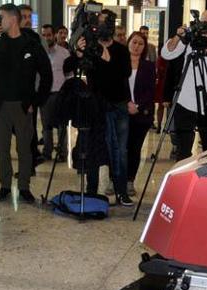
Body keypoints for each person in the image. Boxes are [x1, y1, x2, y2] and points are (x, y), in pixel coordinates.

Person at [0, 3, 51, 203]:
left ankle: (24, 186)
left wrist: (35, 102)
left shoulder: (32, 44)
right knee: (2, 147)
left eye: (0, 17)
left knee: (24, 148)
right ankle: (5, 186)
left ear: (12, 19)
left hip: (23, 105)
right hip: (0, 105)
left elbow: (46, 75)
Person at [65, 9, 133, 205]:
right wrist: (78, 51)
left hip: (118, 105)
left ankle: (121, 191)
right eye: (97, 22)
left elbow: (124, 73)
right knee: (92, 149)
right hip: (94, 107)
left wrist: (107, 58)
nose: (100, 26)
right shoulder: (89, 48)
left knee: (119, 151)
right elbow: (68, 68)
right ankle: (91, 190)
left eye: (104, 23)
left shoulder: (120, 50)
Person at [161, 9, 207, 160]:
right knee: (183, 151)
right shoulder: (190, 41)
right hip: (185, 102)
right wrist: (178, 37)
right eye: (204, 24)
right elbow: (166, 53)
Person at [18, 4, 51, 167]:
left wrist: (38, 98)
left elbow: (44, 70)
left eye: (29, 17)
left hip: (30, 95)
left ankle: (30, 165)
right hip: (10, 97)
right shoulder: (7, 39)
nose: (27, 20)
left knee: (28, 131)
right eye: (23, 17)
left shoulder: (35, 39)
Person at [125, 31, 156, 196]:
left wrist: (137, 106)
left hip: (141, 114)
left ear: (144, 47)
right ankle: (114, 179)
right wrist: (127, 103)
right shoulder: (119, 64)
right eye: (134, 42)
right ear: (129, 42)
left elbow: (151, 91)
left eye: (140, 44)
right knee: (119, 148)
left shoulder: (149, 66)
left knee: (134, 149)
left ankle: (130, 180)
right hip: (122, 111)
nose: (136, 46)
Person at [39, 24, 70, 161]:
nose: (46, 38)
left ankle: (62, 153)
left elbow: (69, 75)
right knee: (46, 126)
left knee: (62, 126)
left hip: (60, 94)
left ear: (54, 35)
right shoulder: (39, 53)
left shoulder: (64, 53)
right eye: (44, 35)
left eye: (49, 35)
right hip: (45, 94)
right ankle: (47, 152)